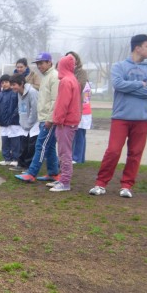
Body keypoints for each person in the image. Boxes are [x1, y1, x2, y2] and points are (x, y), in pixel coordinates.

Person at [89, 34, 147, 198]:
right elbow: (118, 84)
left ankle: (127, 186)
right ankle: (100, 184)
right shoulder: (119, 66)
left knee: (135, 153)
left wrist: (129, 87)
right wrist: (140, 84)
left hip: (143, 117)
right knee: (113, 151)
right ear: (137, 47)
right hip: (121, 116)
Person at [15, 52, 60, 183]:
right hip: (44, 117)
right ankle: (53, 173)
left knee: (40, 145)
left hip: (48, 119)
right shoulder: (46, 76)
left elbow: (55, 100)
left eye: (41, 63)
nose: (39, 66)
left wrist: (50, 119)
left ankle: (31, 172)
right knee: (49, 146)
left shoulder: (54, 77)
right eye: (38, 63)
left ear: (49, 62)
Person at [49, 54, 82, 192]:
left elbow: (63, 103)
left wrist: (58, 120)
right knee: (65, 151)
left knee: (64, 152)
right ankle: (63, 179)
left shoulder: (66, 82)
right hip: (71, 121)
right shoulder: (73, 79)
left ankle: (65, 182)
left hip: (65, 123)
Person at [11, 74, 39, 171]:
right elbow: (20, 108)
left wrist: (29, 123)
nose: (12, 87)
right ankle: (21, 164)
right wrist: (22, 122)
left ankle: (28, 166)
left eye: (14, 84)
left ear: (22, 83)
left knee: (31, 146)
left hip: (34, 124)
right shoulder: (19, 93)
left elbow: (34, 109)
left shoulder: (32, 92)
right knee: (23, 145)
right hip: (24, 124)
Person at [69, 51, 92, 164]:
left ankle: (77, 157)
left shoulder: (80, 73)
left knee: (79, 133)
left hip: (82, 109)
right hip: (80, 108)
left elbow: (79, 87)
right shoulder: (70, 73)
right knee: (79, 134)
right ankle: (79, 157)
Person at [0, 74, 21, 167]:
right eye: (2, 83)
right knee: (5, 141)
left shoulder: (15, 93)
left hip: (14, 123)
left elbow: (17, 107)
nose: (4, 84)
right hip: (3, 123)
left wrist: (12, 118)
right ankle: (7, 158)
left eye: (7, 82)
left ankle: (15, 158)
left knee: (15, 141)